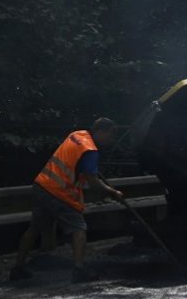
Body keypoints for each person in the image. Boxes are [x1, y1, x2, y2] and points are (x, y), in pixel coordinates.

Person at [9, 117, 126, 283]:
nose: (109, 141)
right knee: (79, 228)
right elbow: (93, 183)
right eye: (109, 136)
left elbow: (75, 162)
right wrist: (113, 192)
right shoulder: (91, 150)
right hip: (59, 193)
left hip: (42, 185)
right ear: (101, 131)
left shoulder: (77, 135)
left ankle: (17, 268)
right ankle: (79, 270)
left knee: (34, 228)